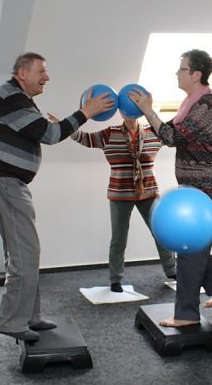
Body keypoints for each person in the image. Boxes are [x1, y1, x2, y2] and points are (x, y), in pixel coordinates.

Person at [0, 52, 114, 341]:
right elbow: (49, 134)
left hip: (9, 183)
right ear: (22, 73)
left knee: (23, 252)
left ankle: (29, 316)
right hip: (3, 183)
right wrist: (86, 112)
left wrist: (70, 120)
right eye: (42, 72)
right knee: (26, 253)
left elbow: (44, 131)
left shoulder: (19, 98)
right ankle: (13, 322)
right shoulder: (7, 96)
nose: (46, 77)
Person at [129, 49, 212, 327]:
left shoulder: (204, 107)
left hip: (209, 186)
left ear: (196, 74)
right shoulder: (191, 101)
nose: (177, 73)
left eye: (182, 69)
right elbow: (171, 133)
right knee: (193, 245)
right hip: (195, 188)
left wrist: (147, 110)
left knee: (189, 249)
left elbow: (172, 137)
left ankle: (186, 315)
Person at [71, 116, 176, 291]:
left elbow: (173, 137)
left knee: (161, 233)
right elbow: (86, 139)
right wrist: (67, 127)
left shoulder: (153, 132)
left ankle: (172, 271)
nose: (129, 113)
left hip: (148, 192)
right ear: (120, 111)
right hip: (120, 193)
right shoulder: (110, 134)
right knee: (119, 239)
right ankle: (115, 279)